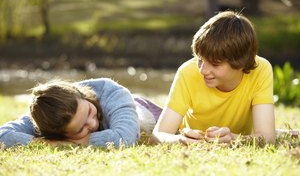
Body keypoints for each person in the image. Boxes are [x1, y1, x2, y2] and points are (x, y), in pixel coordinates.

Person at [152, 11, 276, 145]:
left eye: (215, 64)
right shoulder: (187, 72)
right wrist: (180, 140)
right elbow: (158, 136)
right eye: (200, 60)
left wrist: (233, 138)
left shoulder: (261, 69)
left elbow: (268, 138)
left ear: (241, 63)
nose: (203, 70)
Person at [0, 78, 162, 148]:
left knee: (141, 126)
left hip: (143, 111)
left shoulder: (111, 91)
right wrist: (46, 143)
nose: (93, 123)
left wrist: (73, 142)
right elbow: (3, 135)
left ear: (82, 95)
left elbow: (125, 139)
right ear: (56, 134)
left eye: (90, 112)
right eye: (80, 129)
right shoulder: (46, 116)